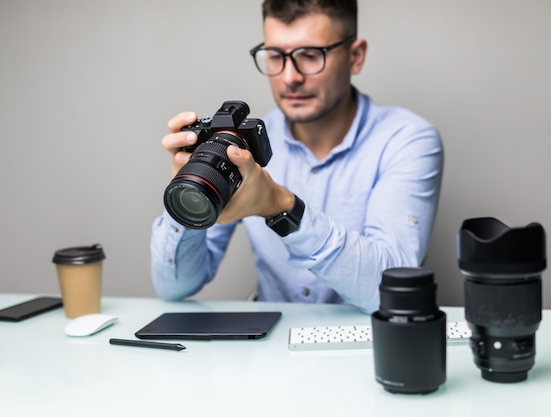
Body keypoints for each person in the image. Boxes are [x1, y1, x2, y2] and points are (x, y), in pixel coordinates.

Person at [151, 0, 443, 313]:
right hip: (269, 348)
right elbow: (175, 288)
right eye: (275, 56)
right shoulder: (241, 148)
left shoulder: (406, 139)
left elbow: (391, 290)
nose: (289, 77)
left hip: (369, 346)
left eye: (310, 55)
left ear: (355, 57)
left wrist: (281, 207)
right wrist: (188, 192)